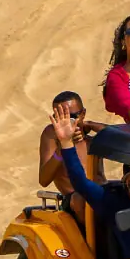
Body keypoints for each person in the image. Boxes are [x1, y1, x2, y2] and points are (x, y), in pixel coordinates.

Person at [50, 103, 130, 259]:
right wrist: (66, 143)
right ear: (126, 189)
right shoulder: (116, 203)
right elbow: (81, 183)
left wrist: (91, 125)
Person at [39, 91, 106, 219]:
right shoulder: (52, 134)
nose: (66, 122)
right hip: (75, 200)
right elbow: (43, 180)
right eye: (60, 117)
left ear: (83, 114)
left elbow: (123, 137)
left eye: (72, 116)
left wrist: (90, 125)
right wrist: (63, 147)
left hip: (100, 193)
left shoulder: (90, 138)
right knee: (81, 199)